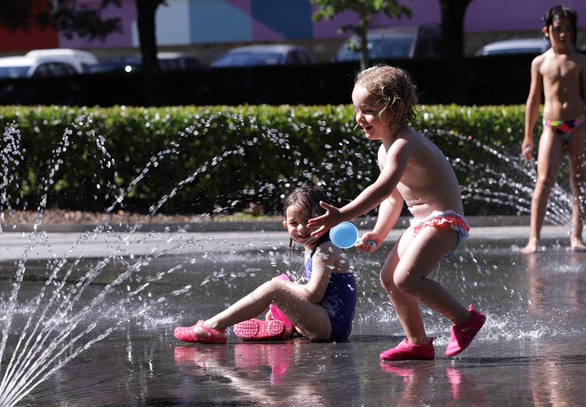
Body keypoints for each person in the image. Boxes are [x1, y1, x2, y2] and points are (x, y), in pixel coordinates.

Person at [308, 65, 486, 361]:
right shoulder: (385, 150)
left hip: (445, 221)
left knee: (407, 279)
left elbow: (380, 188)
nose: (359, 118)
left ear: (396, 108)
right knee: (389, 278)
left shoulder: (405, 145)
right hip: (423, 224)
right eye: (356, 109)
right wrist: (379, 232)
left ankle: (465, 320)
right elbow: (392, 198)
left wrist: (343, 213)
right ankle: (417, 342)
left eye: (368, 110)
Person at [174, 186, 357, 344]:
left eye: (309, 221)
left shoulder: (326, 250)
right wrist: (285, 302)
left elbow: (313, 295)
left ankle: (212, 327)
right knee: (283, 283)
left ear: (324, 219)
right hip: (323, 323)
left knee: (276, 287)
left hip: (331, 328)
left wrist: (282, 287)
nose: (301, 228)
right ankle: (285, 324)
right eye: (294, 223)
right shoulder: (312, 247)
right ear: (286, 225)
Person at [521, 4, 586, 254]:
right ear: (547, 31)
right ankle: (534, 239)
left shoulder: (580, 61)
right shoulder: (540, 63)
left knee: (579, 182)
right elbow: (533, 100)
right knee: (544, 181)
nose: (563, 34)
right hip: (552, 127)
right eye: (558, 29)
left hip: (578, 124)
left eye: (568, 30)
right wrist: (528, 137)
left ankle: (576, 237)